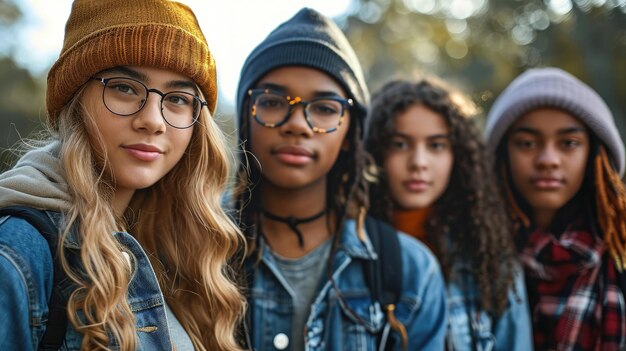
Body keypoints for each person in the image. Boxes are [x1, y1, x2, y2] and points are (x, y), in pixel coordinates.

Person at [0, 0, 246, 350]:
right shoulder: (18, 253)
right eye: (125, 88)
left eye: (177, 98)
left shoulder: (179, 251)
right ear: (75, 98)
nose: (153, 120)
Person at [233, 7, 447, 351]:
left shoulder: (411, 272)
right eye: (272, 101)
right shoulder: (191, 246)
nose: (298, 124)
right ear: (246, 116)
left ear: (351, 133)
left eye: (325, 108)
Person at [365, 78, 533, 350]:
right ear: (374, 150)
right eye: (399, 144)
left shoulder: (488, 257)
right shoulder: (350, 253)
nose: (418, 162)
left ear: (459, 156)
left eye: (436, 146)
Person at [485, 67, 626, 350]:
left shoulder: (619, 250)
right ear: (501, 155)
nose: (548, 159)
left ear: (595, 156)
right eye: (527, 143)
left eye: (569, 143)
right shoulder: (472, 259)